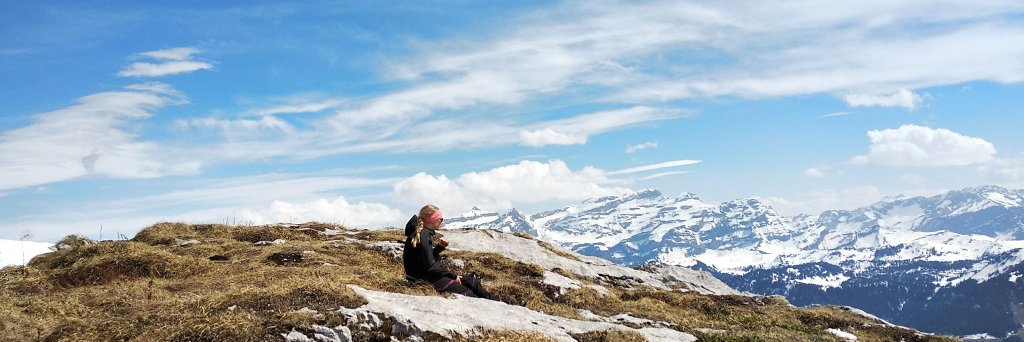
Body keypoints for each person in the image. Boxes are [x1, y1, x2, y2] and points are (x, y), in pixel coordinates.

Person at [403, 204, 493, 299]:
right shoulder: (424, 234)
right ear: (432, 219)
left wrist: (439, 248)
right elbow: (430, 266)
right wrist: (453, 276)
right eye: (440, 219)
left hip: (419, 278)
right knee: (469, 293)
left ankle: (494, 301)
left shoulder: (420, 233)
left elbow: (424, 260)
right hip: (424, 280)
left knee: (469, 281)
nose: (441, 222)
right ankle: (495, 303)